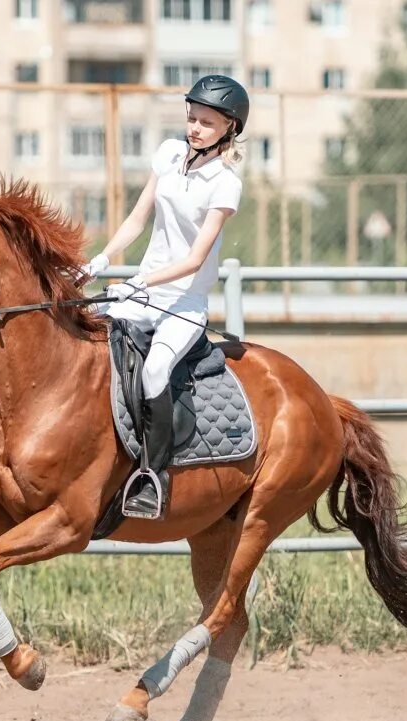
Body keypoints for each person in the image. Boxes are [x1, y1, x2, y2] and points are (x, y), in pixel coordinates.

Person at [81, 74, 248, 520]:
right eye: (191, 118)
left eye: (206, 122)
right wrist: (101, 259)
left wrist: (143, 283)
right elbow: (137, 219)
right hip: (142, 289)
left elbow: (195, 260)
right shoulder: (170, 156)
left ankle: (151, 477)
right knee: (86, 330)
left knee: (155, 371)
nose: (194, 128)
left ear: (229, 127)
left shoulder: (224, 184)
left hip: (184, 303)